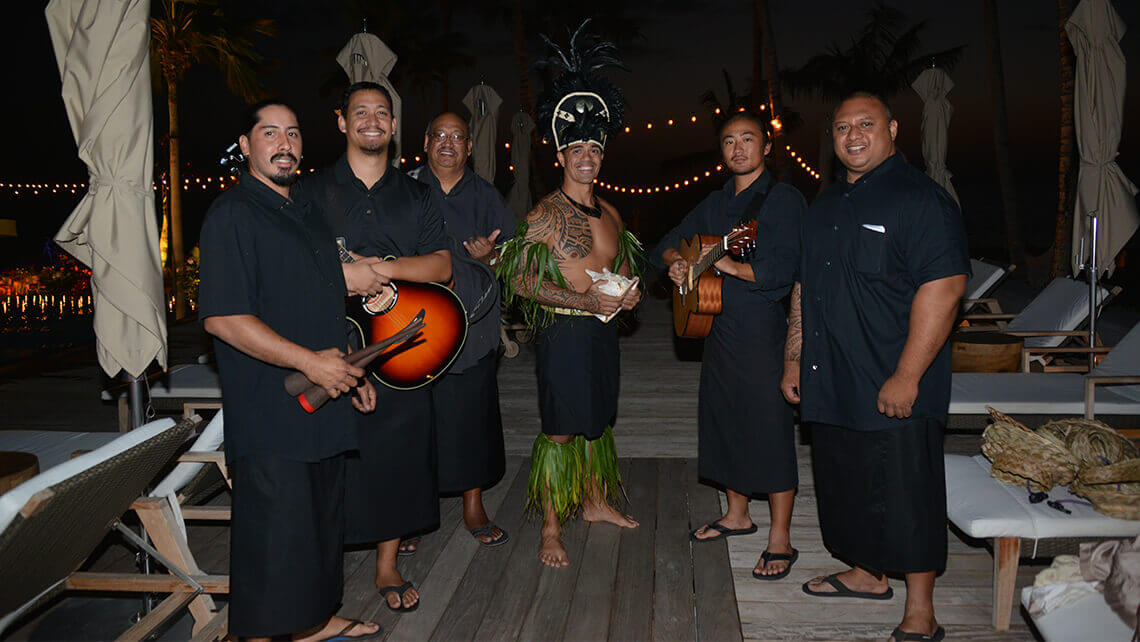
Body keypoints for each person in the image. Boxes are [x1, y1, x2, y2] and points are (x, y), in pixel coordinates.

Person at [784, 92, 968, 642]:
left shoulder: (922, 201)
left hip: (894, 379)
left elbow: (946, 287)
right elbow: (803, 285)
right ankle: (865, 574)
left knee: (908, 492)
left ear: (892, 129)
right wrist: (794, 355)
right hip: (831, 377)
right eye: (842, 128)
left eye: (866, 124)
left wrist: (908, 374)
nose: (853, 136)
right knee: (845, 483)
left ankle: (920, 609)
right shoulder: (825, 204)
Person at [198, 99, 382, 641]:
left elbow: (319, 302)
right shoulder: (233, 214)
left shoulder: (304, 212)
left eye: (294, 133)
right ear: (247, 145)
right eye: (270, 133)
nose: (285, 143)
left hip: (322, 396)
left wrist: (351, 372)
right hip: (271, 408)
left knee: (319, 523)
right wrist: (310, 363)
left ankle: (314, 621)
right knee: (275, 537)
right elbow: (223, 319)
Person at [301, 81, 452, 612]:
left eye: (382, 113)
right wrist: (342, 275)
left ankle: (387, 563)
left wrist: (378, 269)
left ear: (393, 126)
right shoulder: (310, 191)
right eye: (359, 112)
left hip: (399, 343)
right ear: (341, 122)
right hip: (325, 343)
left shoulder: (416, 194)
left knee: (399, 453)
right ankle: (322, 563)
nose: (371, 120)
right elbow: (290, 268)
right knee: (330, 452)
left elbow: (441, 266)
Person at [496, 23, 641, 568]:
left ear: (602, 156)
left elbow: (623, 267)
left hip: (604, 333)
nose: (586, 157)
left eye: (594, 149)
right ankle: (551, 529)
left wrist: (626, 296)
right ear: (561, 156)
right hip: (563, 332)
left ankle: (596, 502)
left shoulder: (611, 213)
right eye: (576, 149)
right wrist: (583, 303)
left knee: (598, 420)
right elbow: (518, 279)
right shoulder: (543, 215)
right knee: (559, 429)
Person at [653, 112, 805, 580]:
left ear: (766, 147)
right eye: (728, 141)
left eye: (747, 139)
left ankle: (781, 536)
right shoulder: (717, 201)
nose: (737, 148)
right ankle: (737, 514)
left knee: (769, 428)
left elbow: (785, 269)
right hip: (716, 327)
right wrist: (681, 264)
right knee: (724, 418)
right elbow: (665, 242)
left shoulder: (784, 200)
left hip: (761, 330)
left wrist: (724, 264)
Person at [408, 112, 515, 547]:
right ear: (426, 141)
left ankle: (474, 504)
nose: (448, 143)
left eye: (458, 137)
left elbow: (515, 259)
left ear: (470, 147)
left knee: (472, 419)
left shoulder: (487, 195)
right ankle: (412, 513)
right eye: (440, 135)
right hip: (416, 327)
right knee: (417, 423)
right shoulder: (407, 189)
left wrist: (491, 258)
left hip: (475, 327)